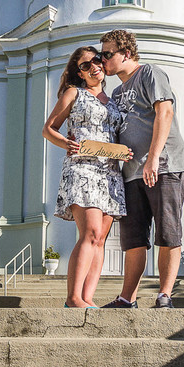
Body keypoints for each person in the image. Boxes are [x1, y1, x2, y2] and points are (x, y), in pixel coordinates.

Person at [98, 29, 184, 309]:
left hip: (164, 168)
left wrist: (153, 157)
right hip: (130, 174)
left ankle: (164, 295)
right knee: (133, 240)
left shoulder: (149, 73)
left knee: (167, 233)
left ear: (126, 53)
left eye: (107, 54)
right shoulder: (116, 92)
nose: (103, 60)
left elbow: (165, 112)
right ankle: (128, 298)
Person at [41, 46, 128, 308]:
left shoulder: (114, 101)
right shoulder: (74, 93)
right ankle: (72, 298)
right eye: (85, 65)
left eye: (97, 61)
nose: (93, 67)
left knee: (100, 238)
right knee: (89, 232)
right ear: (78, 73)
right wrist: (67, 144)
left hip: (110, 173)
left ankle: (87, 298)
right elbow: (49, 129)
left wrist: (126, 152)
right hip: (82, 169)